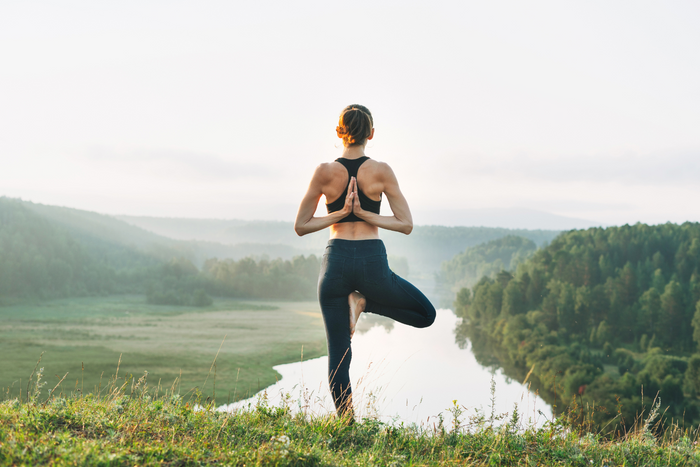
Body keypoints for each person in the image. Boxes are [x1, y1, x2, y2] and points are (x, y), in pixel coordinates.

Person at [294, 104, 436, 418]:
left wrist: (338, 214)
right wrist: (369, 214)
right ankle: (363, 303)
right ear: (371, 134)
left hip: (336, 264)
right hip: (372, 262)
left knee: (338, 357)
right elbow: (406, 224)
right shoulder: (382, 171)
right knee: (426, 314)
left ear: (338, 132)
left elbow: (301, 226)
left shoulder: (324, 172)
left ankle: (346, 426)